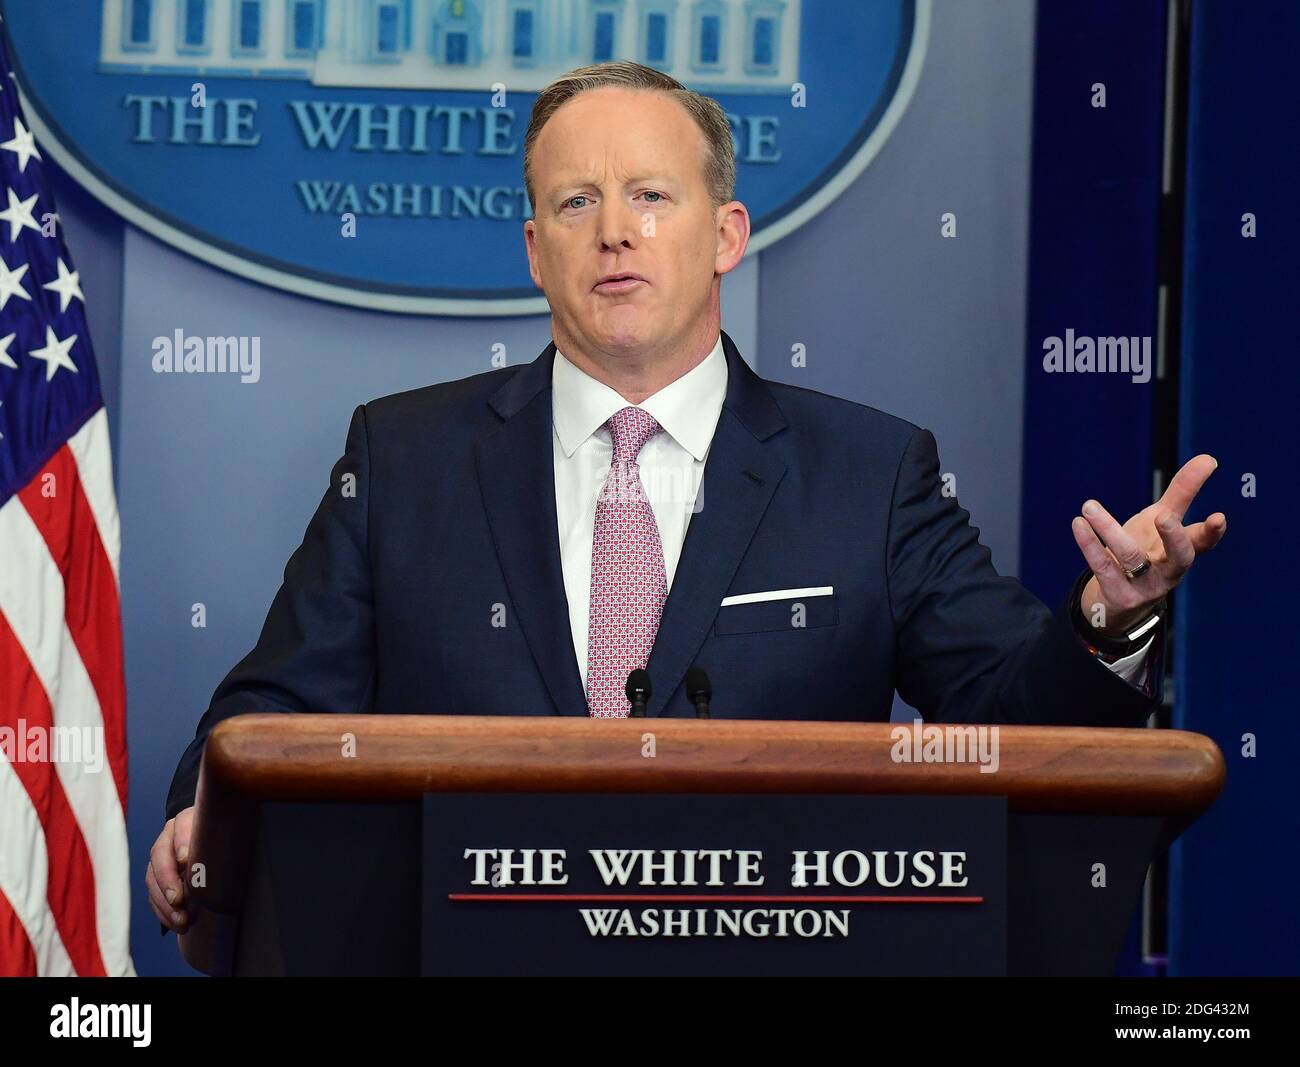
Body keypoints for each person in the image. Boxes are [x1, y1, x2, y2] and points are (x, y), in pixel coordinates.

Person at [147, 61, 1226, 935]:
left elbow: (1011, 725)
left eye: (650, 196)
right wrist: (201, 811)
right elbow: (269, 718)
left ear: (725, 235)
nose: (613, 230)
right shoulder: (403, 455)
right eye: (576, 201)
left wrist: (1109, 618)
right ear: (535, 249)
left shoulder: (868, 470)